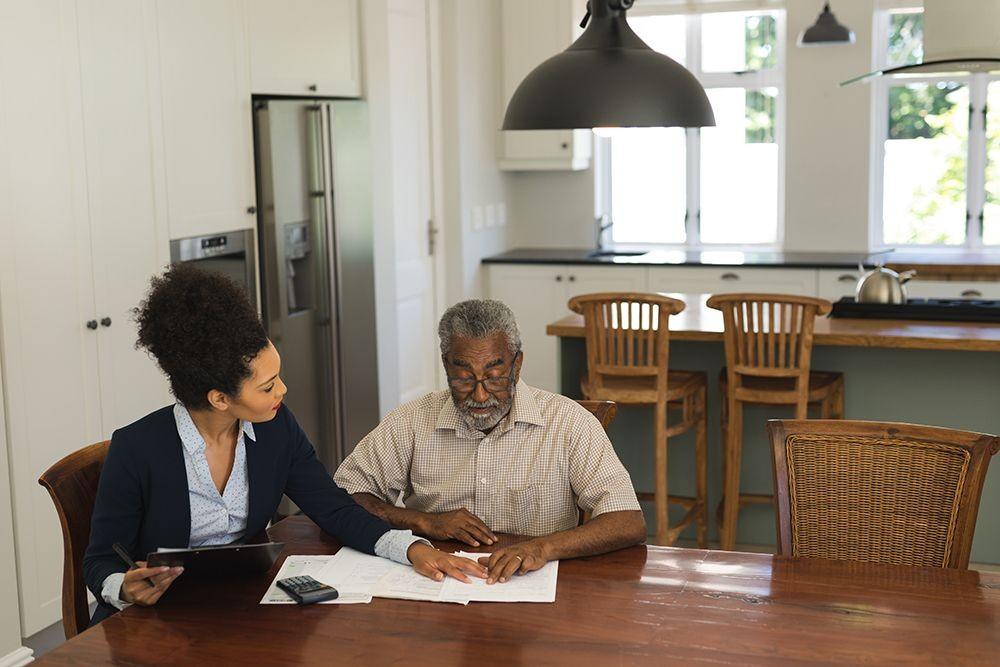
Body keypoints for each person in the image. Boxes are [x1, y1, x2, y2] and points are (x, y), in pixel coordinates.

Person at [83, 264, 484, 626]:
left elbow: (334, 508)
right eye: (267, 386)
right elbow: (100, 561)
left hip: (239, 608)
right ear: (219, 398)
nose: (283, 390)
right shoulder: (136, 448)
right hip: (155, 621)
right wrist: (123, 587)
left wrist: (410, 548)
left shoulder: (276, 429)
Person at [335, 299, 646, 585]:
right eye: (464, 378)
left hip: (535, 586)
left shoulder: (568, 423)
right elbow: (343, 497)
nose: (480, 395)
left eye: (494, 377)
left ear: (517, 364)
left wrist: (542, 547)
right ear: (446, 366)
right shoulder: (411, 421)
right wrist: (425, 522)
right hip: (436, 583)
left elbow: (627, 521)